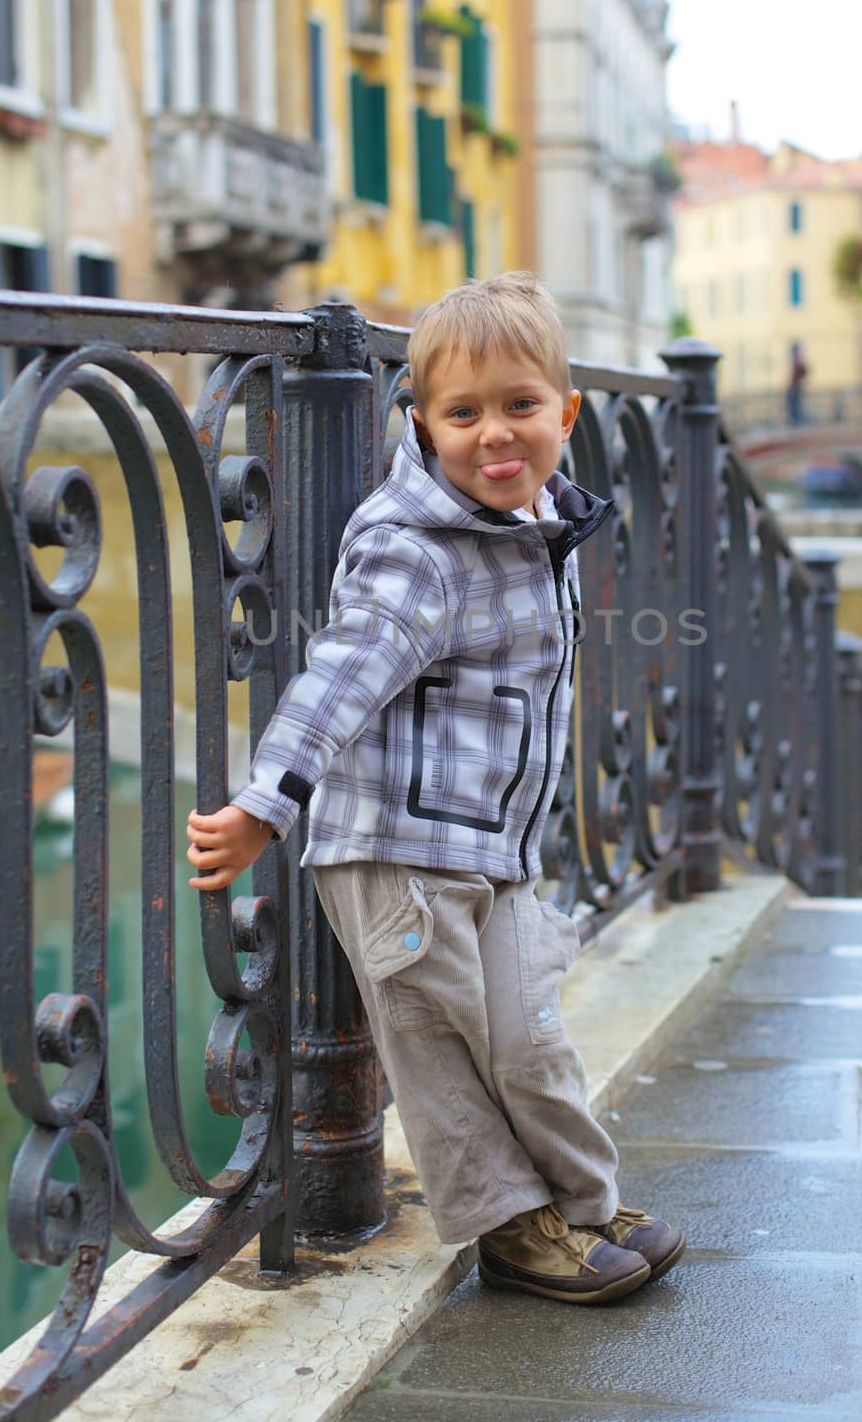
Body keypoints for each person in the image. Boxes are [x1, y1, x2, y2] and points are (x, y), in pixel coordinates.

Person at [185, 272, 685, 1305]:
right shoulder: (417, 551)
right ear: (419, 422)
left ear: (566, 414)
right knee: (443, 1065)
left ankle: (581, 1202)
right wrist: (264, 804)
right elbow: (338, 678)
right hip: (394, 857)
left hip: (487, 853)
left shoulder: (534, 522)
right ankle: (510, 1228)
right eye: (461, 413)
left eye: (518, 407)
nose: (493, 436)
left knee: (528, 1039)